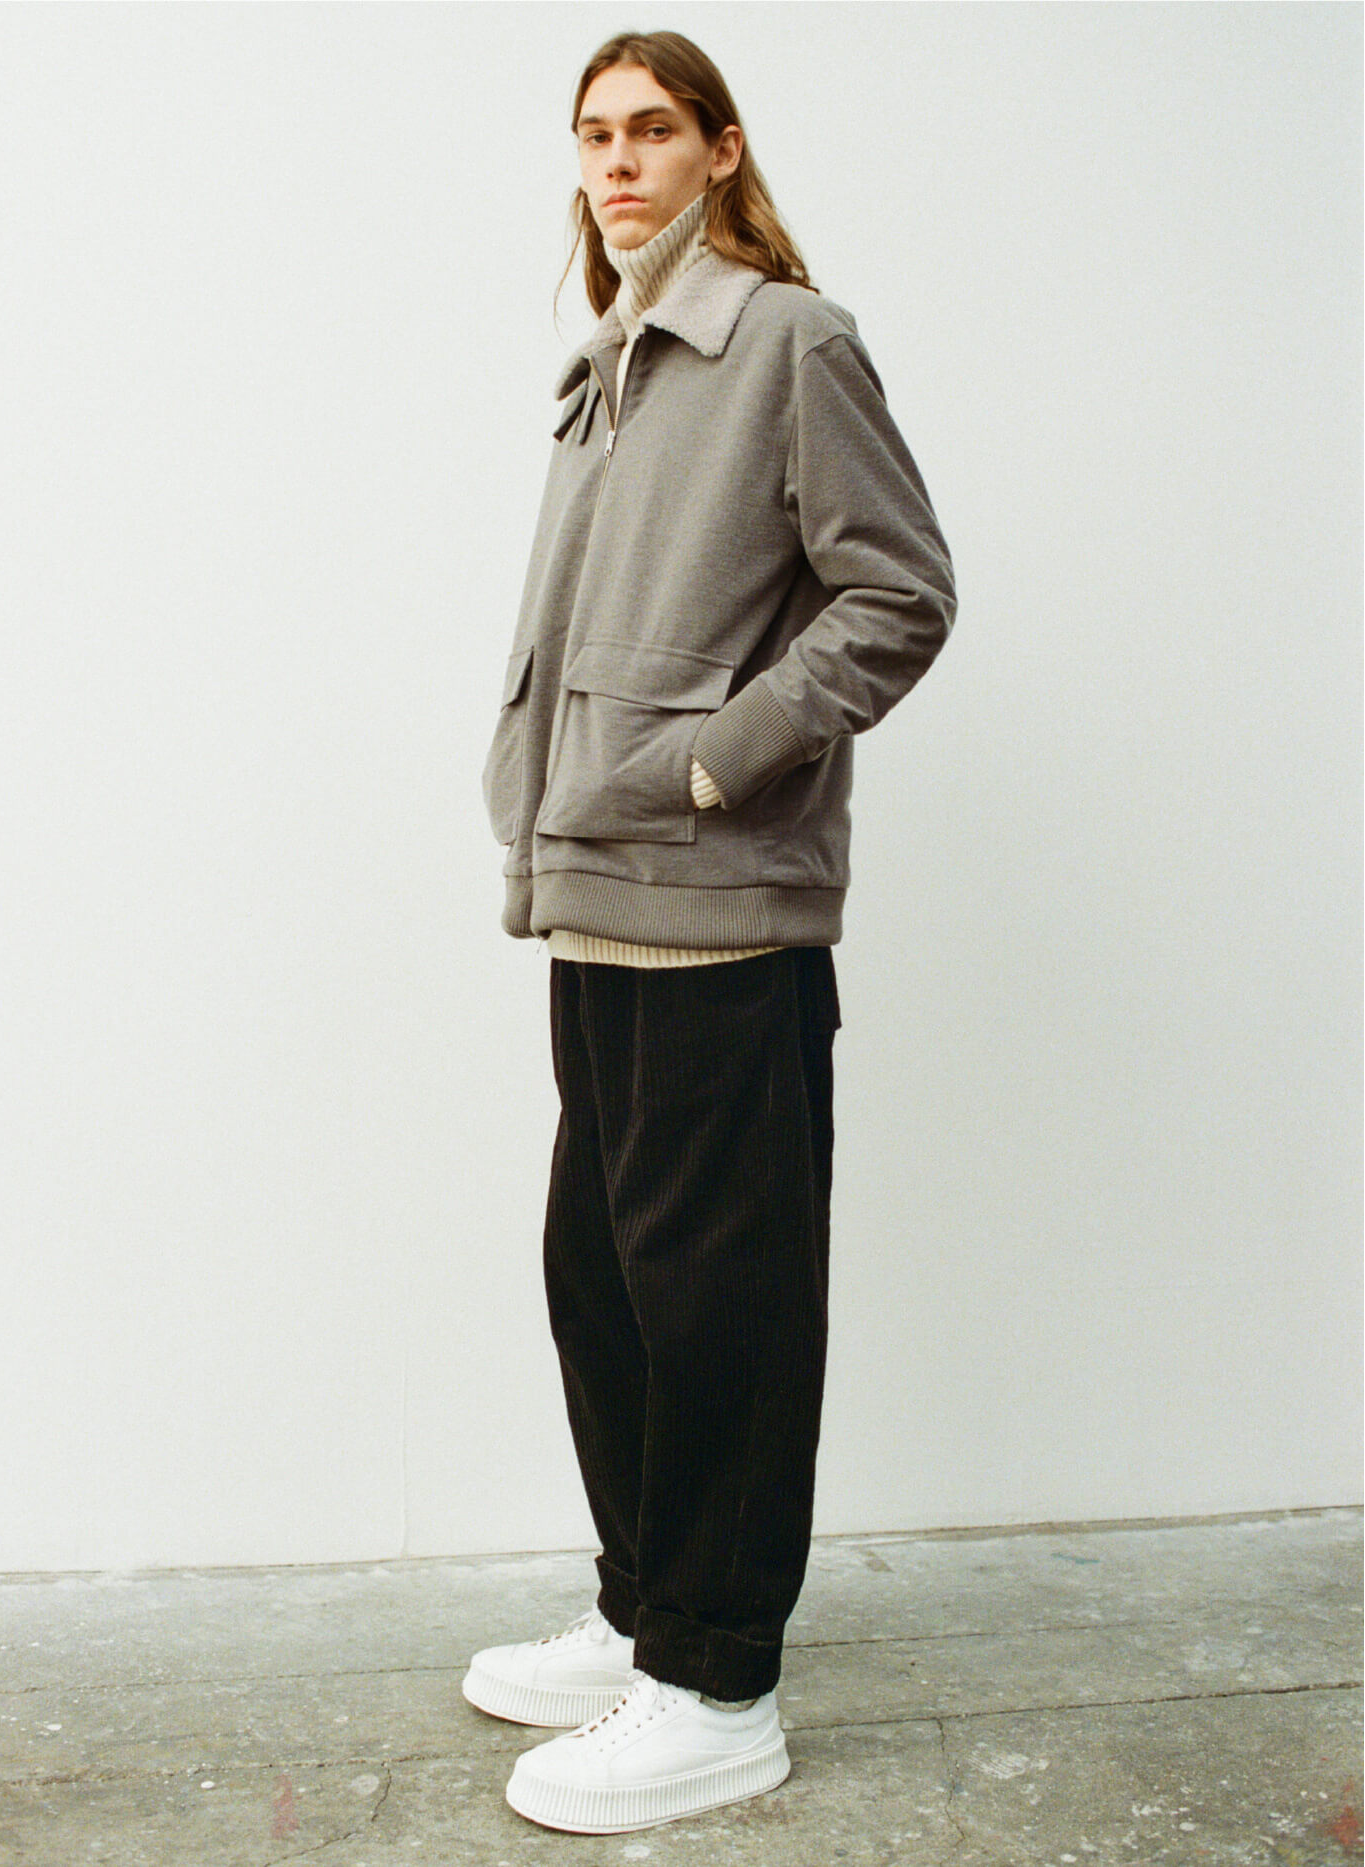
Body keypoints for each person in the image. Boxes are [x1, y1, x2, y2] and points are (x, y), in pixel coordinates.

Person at [468, 28, 957, 1835]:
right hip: (592, 898)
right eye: (592, 135)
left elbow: (897, 595)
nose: (615, 162)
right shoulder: (609, 363)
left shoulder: (785, 343)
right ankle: (643, 1616)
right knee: (601, 1277)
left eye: (651, 130)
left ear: (720, 150)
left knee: (718, 1306)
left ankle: (719, 1685)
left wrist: (709, 764)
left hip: (717, 909)